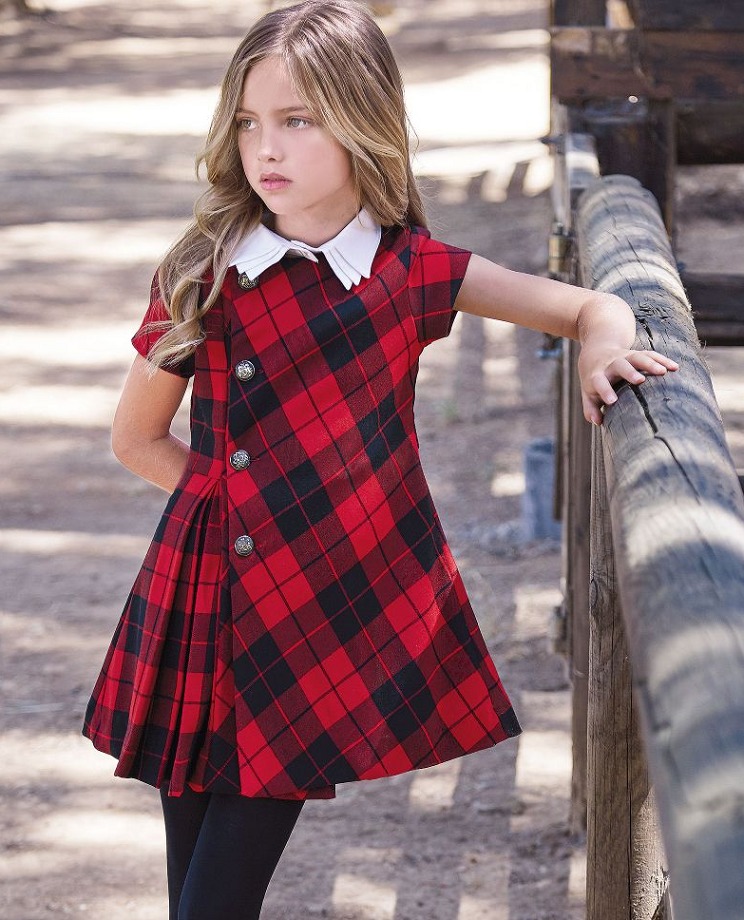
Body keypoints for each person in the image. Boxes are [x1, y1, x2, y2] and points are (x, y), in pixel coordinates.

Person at [82, 1, 678, 917]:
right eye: (247, 123)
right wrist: (241, 510)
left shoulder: (413, 273)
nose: (264, 149)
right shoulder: (203, 270)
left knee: (213, 900)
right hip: (206, 600)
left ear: (362, 123)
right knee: (195, 888)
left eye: (296, 119)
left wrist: (602, 349)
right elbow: (136, 439)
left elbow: (590, 308)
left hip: (308, 623)